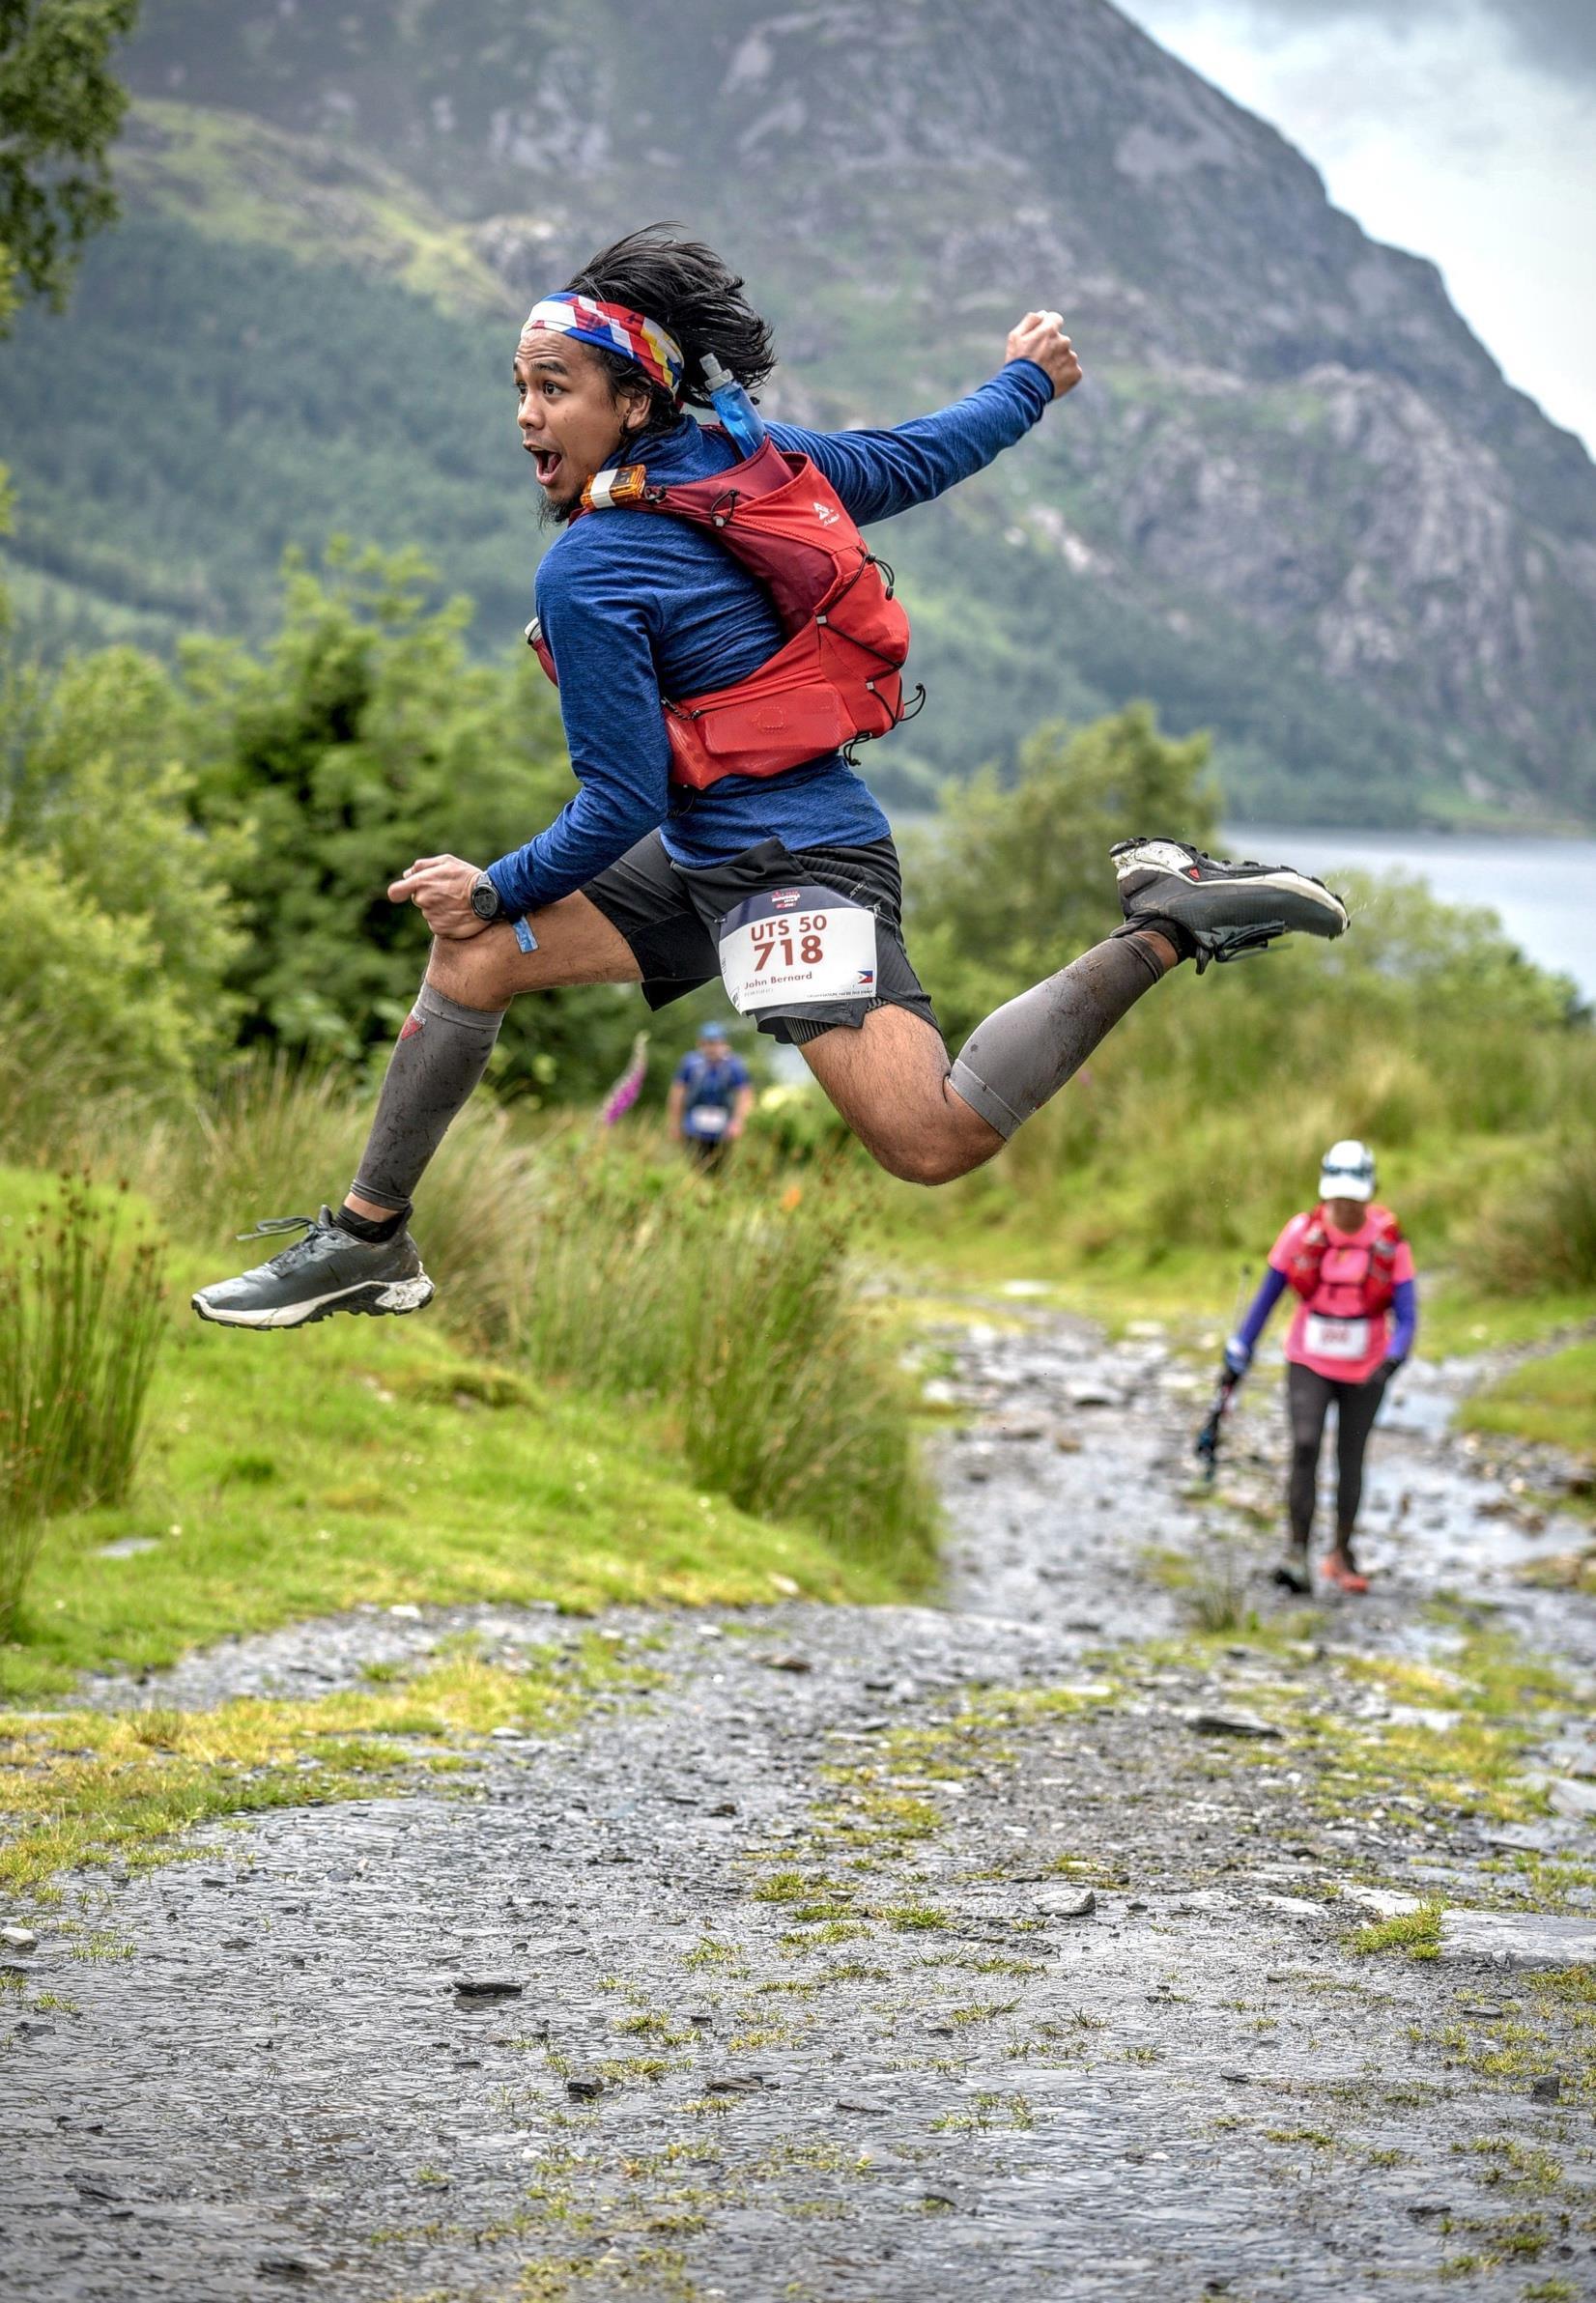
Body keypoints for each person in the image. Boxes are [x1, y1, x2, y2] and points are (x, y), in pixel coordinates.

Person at [192, 227, 1349, 1330]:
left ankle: (1164, 917)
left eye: (552, 389)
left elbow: (619, 801)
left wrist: (492, 882)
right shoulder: (760, 464)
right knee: (475, 960)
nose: (525, 417)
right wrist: (1024, 382)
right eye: (520, 386)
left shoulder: (589, 569)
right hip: (710, 852)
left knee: (931, 1137)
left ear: (633, 401)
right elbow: (914, 455)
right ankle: (368, 1236)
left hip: (789, 868)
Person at [1223, 1140, 1418, 1595]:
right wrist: (1240, 1351)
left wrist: (1391, 1362)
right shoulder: (1300, 1233)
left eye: (1354, 1198)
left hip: (1367, 1367)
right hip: (1308, 1360)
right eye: (1338, 1197)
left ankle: (1342, 1554)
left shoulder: (1389, 1240)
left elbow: (1407, 1317)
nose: (1346, 1206)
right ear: (1326, 1194)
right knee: (1306, 1446)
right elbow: (1266, 1300)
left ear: (1368, 1194)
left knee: (1351, 1459)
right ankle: (1297, 1554)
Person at [668, 1021, 753, 1169]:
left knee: (719, 1165)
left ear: (724, 1043)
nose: (711, 1048)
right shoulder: (690, 1063)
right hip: (693, 1123)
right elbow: (677, 1093)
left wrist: (738, 1122)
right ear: (700, 1043)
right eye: (707, 1043)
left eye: (715, 1043)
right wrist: (675, 1123)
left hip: (723, 1124)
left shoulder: (734, 1065)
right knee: (694, 1163)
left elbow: (745, 1094)